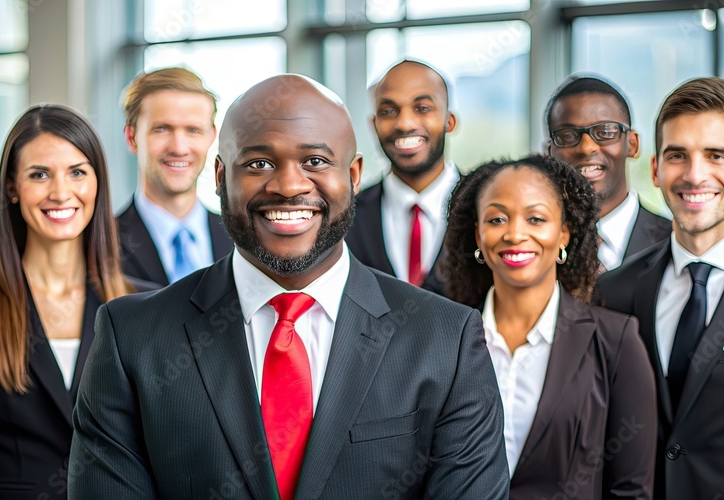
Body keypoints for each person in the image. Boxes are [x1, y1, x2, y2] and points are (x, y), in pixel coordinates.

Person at [69, 74, 509, 499]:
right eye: (259, 163)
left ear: (353, 175)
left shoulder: (446, 340)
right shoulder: (131, 338)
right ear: (221, 176)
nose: (287, 186)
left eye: (315, 161)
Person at [598, 77, 724, 499]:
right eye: (677, 156)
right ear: (655, 170)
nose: (694, 174)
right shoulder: (612, 292)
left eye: (716, 155)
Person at [0, 104, 132, 499]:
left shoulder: (143, 303)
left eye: (77, 172)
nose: (60, 192)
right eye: (39, 174)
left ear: (97, 183)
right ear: (11, 187)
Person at [442, 154, 656, 499]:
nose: (515, 234)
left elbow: (631, 489)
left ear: (563, 235)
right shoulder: (443, 341)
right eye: (497, 219)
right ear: (478, 236)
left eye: (536, 218)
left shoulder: (615, 343)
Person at [346, 59, 458, 293]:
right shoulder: (345, 215)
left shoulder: (485, 207)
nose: (405, 123)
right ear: (374, 124)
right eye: (389, 111)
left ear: (449, 120)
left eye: (422, 108)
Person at [115, 67, 233, 287]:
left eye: (193, 130)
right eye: (162, 129)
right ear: (132, 138)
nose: (179, 148)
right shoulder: (100, 247)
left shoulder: (241, 240)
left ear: (211, 136)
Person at [546, 75, 671, 272]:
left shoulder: (673, 242)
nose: (586, 148)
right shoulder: (535, 244)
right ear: (550, 153)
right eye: (568, 135)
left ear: (632, 144)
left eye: (605, 132)